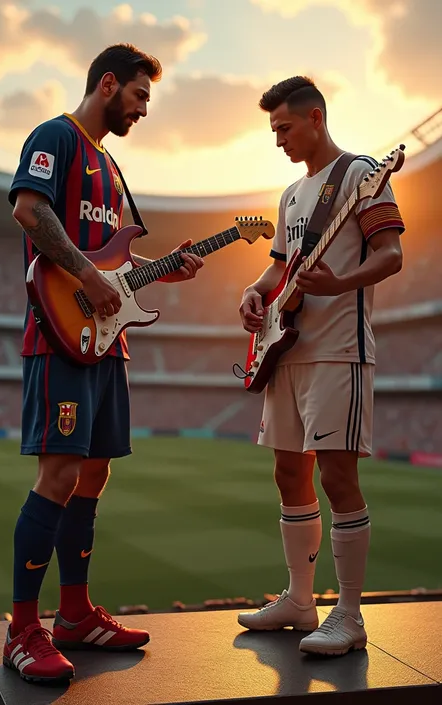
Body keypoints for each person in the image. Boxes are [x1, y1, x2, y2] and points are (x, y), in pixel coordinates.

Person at [4, 43, 204, 684]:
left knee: (93, 476)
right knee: (59, 473)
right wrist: (88, 274)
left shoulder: (113, 170)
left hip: (105, 339)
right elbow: (29, 211)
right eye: (141, 96)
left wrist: (164, 271)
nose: (144, 109)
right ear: (109, 84)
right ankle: (22, 629)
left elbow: (118, 266)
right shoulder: (55, 138)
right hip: (59, 333)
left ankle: (74, 615)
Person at [237, 76, 404, 656]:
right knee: (289, 474)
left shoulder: (362, 175)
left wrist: (340, 283)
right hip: (286, 349)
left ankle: (351, 615)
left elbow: (391, 255)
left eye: (283, 126)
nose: (278, 138)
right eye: (274, 128)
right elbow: (278, 268)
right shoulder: (289, 194)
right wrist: (255, 292)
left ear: (314, 118)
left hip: (339, 351)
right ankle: (300, 599)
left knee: (336, 476)